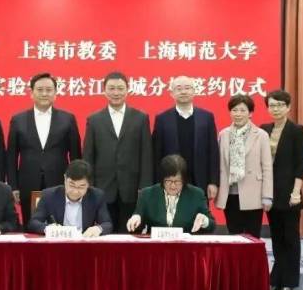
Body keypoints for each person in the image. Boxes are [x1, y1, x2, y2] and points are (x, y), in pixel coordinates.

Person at [83, 72, 152, 233]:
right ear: (104, 91)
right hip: (103, 188)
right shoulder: (94, 119)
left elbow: (146, 155)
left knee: (131, 234)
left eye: (120, 88)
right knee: (104, 234)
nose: (116, 92)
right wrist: (89, 186)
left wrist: (145, 188)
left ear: (127, 90)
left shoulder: (140, 118)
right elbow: (88, 156)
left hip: (132, 188)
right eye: (111, 88)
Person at [7, 73, 81, 223]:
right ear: (31, 93)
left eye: (49, 90)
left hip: (59, 183)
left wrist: (76, 183)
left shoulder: (68, 119)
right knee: (31, 226)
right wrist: (13, 186)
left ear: (55, 93)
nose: (44, 94)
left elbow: (76, 155)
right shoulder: (18, 120)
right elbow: (11, 157)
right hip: (28, 183)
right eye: (40, 90)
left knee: (59, 226)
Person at [262, 90, 303, 290]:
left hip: (290, 193)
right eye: (272, 105)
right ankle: (276, 278)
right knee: (277, 238)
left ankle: (289, 281)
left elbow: (300, 164)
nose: (276, 109)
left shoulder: (296, 130)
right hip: (270, 193)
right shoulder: (264, 129)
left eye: (280, 105)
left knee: (291, 238)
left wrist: (296, 192)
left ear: (288, 107)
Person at [152, 75, 220, 200]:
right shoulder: (162, 119)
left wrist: (213, 182)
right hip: (171, 181)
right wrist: (157, 183)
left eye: (187, 88)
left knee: (199, 212)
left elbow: (213, 152)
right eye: (179, 88)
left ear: (194, 91)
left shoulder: (206, 117)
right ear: (172, 93)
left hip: (200, 181)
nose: (183, 92)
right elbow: (157, 154)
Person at [215, 94, 273, 238]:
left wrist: (267, 196)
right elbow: (219, 164)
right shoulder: (223, 134)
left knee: (252, 236)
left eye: (242, 110)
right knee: (234, 235)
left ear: (250, 113)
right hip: (230, 193)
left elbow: (267, 167)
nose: (238, 114)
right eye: (234, 110)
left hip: (253, 192)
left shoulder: (261, 135)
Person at [126, 155, 215, 234]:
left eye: (177, 181)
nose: (173, 186)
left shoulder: (196, 194)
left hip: (185, 246)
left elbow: (212, 225)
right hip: (156, 245)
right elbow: (138, 221)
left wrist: (205, 221)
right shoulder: (147, 194)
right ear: (162, 179)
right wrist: (136, 219)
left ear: (184, 180)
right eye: (168, 181)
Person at [28, 160, 113, 237]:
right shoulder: (49, 195)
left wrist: (98, 229)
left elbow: (107, 223)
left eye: (81, 186)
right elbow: (33, 223)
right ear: (65, 179)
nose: (75, 191)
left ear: (88, 184)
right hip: (58, 243)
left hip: (84, 242)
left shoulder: (96, 196)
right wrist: (49, 228)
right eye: (72, 185)